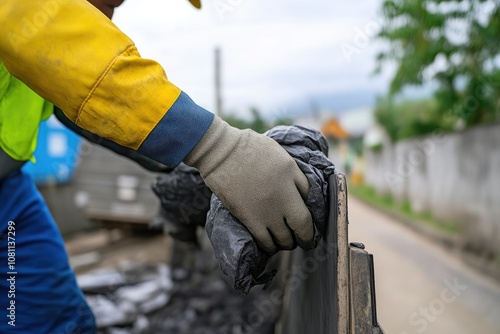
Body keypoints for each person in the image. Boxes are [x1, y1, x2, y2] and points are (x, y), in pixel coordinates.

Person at [0, 0, 314, 332]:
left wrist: (187, 166)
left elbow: (76, 98)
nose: (113, 12)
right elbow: (45, 32)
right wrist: (216, 147)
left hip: (9, 191)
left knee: (54, 319)